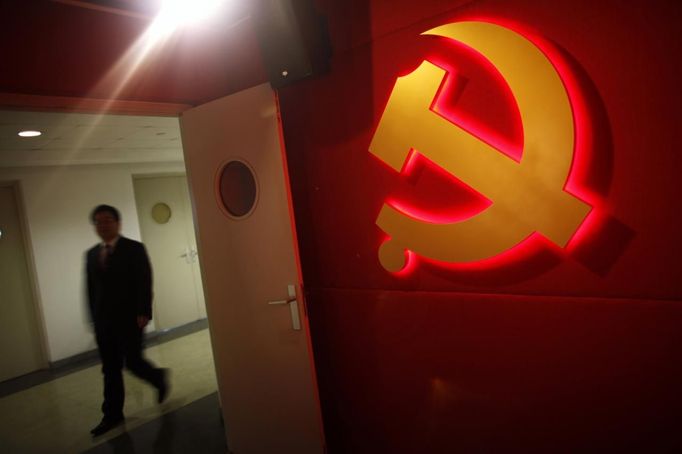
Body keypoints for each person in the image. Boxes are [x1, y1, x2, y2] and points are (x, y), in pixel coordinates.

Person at [86, 204, 168, 437]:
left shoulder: (134, 249)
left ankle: (158, 377)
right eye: (99, 221)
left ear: (118, 223)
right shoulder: (91, 254)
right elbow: (91, 289)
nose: (103, 225)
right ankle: (111, 415)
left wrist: (144, 311)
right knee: (110, 369)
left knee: (132, 362)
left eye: (108, 220)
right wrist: (93, 318)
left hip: (130, 319)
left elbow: (144, 280)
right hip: (104, 322)